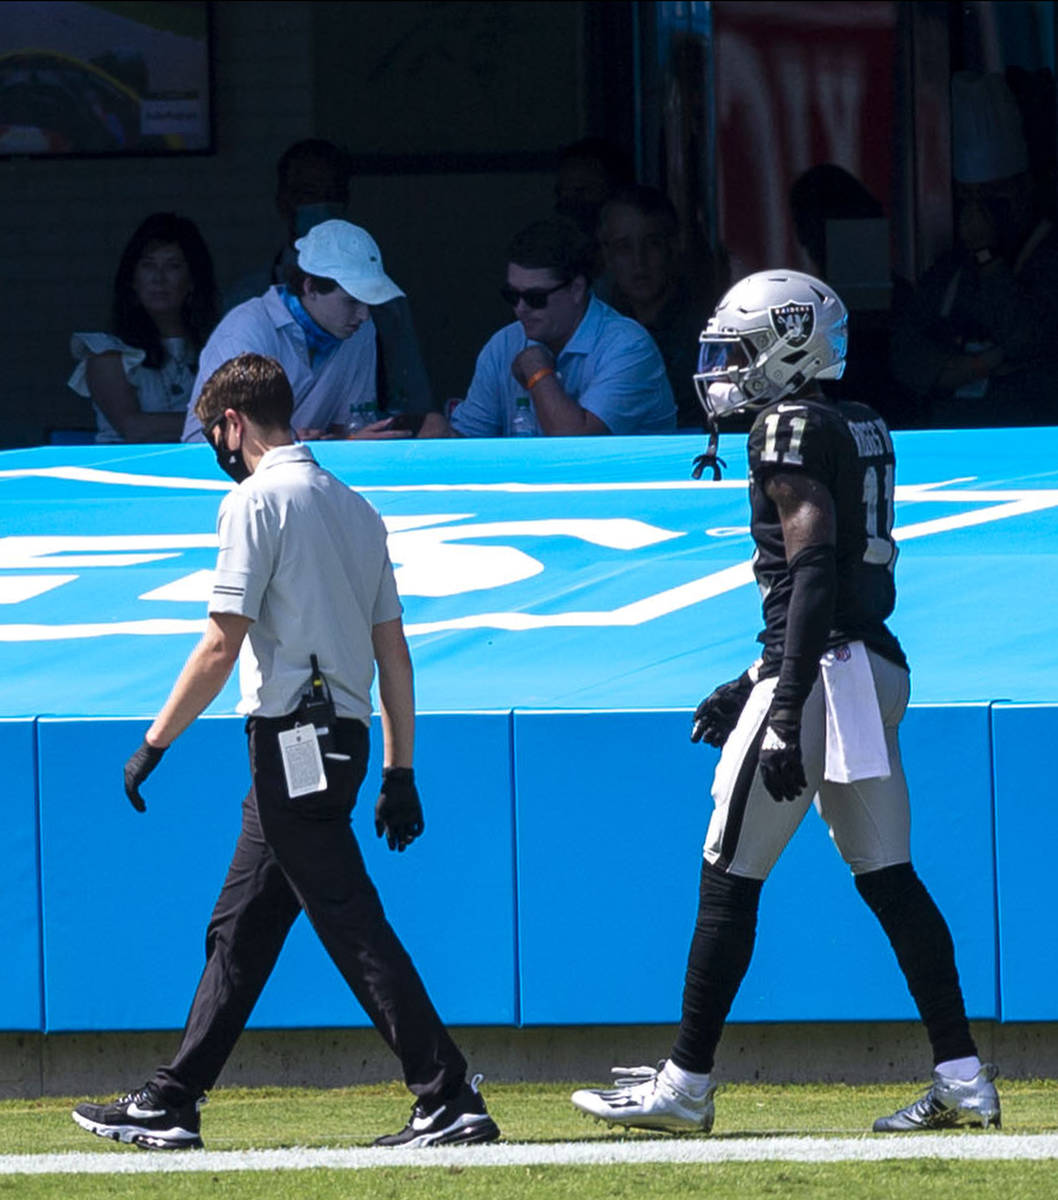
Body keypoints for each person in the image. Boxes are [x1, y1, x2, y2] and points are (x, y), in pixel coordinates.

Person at [571, 270, 1000, 1136]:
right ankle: (963, 1077)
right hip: (871, 665)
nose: (725, 367)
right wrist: (749, 680)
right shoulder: (858, 419)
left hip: (819, 677)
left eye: (740, 347)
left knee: (728, 876)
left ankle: (685, 1083)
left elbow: (810, 568)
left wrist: (782, 692)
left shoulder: (790, 424)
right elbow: (833, 582)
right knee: (890, 879)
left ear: (790, 340)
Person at [71, 353, 499, 1152]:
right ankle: (174, 1098)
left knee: (348, 921)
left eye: (214, 434)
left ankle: (445, 1093)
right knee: (241, 927)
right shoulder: (353, 504)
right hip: (342, 737)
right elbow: (394, 653)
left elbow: (218, 644)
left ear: (232, 423)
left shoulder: (257, 501)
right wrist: (401, 770)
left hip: (290, 739)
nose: (218, 451)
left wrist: (154, 742)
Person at [225, 138, 444, 435]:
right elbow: (224, 433)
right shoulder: (247, 306)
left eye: (332, 193)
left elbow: (408, 400)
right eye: (307, 193)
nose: (362, 313)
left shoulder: (379, 307)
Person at [890, 72, 1058, 427]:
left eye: (993, 197)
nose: (980, 212)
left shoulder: (1047, 258)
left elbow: (1029, 341)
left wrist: (987, 256)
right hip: (953, 431)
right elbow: (907, 357)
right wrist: (986, 363)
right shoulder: (951, 271)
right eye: (969, 199)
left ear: (1023, 189)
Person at [181, 221, 410, 443]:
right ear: (310, 287)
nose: (364, 315)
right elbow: (210, 441)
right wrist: (288, 443)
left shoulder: (361, 331)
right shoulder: (247, 328)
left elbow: (350, 428)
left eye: (368, 302)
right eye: (352, 301)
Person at [449, 216, 676, 437]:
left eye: (535, 298)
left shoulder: (629, 347)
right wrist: (441, 435)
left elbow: (577, 446)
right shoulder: (504, 344)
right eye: (511, 296)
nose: (520, 308)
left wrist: (537, 370)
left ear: (577, 289)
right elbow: (468, 440)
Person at [68, 212, 218, 442]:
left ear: (192, 280)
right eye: (148, 266)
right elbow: (134, 427)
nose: (159, 278)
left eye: (173, 266)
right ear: (133, 280)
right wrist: (223, 420)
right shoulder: (106, 353)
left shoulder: (217, 347)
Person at [598, 185, 724, 429]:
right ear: (606, 254)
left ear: (674, 245)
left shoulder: (709, 331)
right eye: (624, 247)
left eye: (652, 243)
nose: (639, 260)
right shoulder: (597, 327)